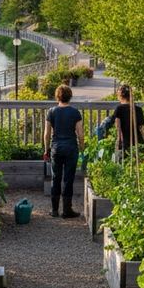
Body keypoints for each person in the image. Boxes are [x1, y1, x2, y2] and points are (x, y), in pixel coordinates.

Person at [43, 84, 84, 218]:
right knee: (68, 179)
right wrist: (82, 149)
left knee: (56, 178)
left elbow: (46, 134)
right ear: (70, 97)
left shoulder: (51, 112)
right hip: (71, 148)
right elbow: (80, 134)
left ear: (57, 97)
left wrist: (46, 149)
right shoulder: (75, 112)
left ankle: (54, 210)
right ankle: (67, 210)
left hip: (56, 148)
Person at [112, 85, 144, 155]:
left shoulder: (119, 109)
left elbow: (118, 127)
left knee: (124, 162)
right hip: (138, 141)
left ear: (120, 96)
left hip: (126, 141)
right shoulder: (138, 109)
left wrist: (119, 141)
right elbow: (142, 128)